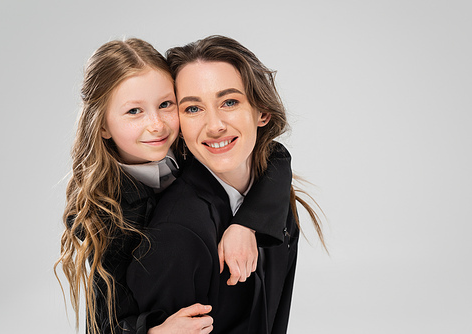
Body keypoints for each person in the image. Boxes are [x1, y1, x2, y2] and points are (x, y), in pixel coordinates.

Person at [55, 38, 294, 334]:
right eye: (134, 112)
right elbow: (104, 318)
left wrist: (246, 223)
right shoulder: (111, 215)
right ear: (102, 126)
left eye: (166, 105)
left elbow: (277, 155)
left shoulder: (187, 153)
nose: (156, 124)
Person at [127, 35, 326, 334]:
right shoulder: (177, 234)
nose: (215, 125)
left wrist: (247, 223)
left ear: (262, 112)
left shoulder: (272, 198)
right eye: (193, 108)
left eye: (229, 102)